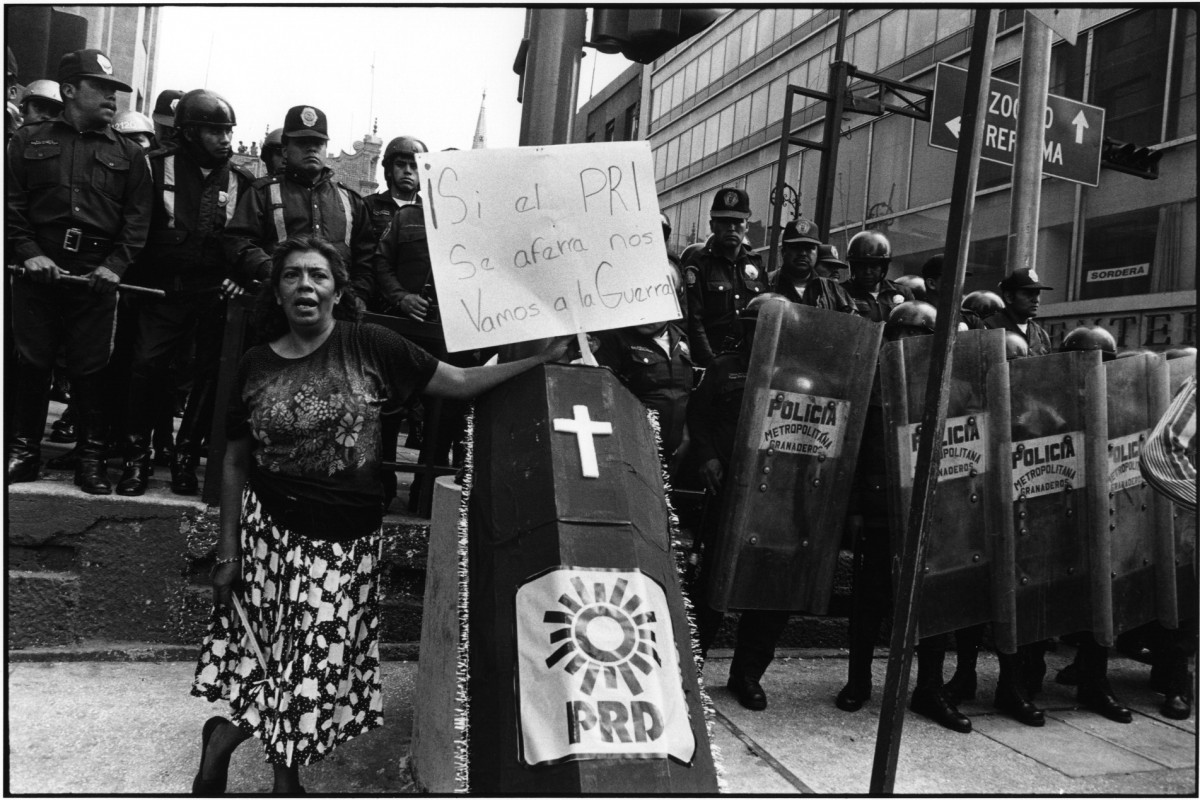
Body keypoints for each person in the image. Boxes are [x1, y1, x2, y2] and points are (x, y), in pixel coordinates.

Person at [190, 235, 567, 794]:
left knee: (316, 666)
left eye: (318, 276)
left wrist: (540, 358)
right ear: (277, 290)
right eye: (292, 275)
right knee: (284, 660)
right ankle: (284, 781)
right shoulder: (255, 364)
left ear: (338, 291)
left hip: (347, 541)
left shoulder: (372, 345)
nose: (305, 287)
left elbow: (459, 383)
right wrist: (228, 551)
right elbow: (234, 460)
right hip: (271, 533)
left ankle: (223, 735)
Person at [5, 48, 152, 491]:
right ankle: (24, 452)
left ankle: (91, 460)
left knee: (93, 367)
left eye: (114, 90)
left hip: (95, 276)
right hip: (37, 270)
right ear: (70, 90)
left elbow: (137, 220)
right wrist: (29, 250)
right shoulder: (28, 141)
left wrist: (115, 266)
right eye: (101, 88)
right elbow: (9, 202)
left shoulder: (130, 155)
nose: (112, 98)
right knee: (30, 360)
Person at [115, 89, 255, 496]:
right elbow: (137, 225)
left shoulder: (241, 181)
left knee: (211, 378)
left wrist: (240, 278)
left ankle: (185, 458)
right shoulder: (155, 167)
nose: (225, 139)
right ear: (190, 132)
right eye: (214, 131)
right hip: (162, 294)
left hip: (214, 297)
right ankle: (136, 460)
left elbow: (245, 240)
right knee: (145, 368)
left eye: (228, 130)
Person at [688, 293, 789, 711]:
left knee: (769, 589)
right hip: (729, 491)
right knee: (712, 582)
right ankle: (689, 667)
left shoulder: (800, 375)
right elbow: (698, 417)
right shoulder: (724, 367)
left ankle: (747, 675)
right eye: (756, 327)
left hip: (777, 499)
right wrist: (708, 456)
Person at [836, 230, 914, 713]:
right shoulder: (839, 296)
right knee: (867, 597)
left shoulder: (898, 301)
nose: (872, 273)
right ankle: (858, 681)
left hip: (911, 492)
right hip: (865, 415)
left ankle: (913, 683)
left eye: (879, 265)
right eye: (865, 265)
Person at [224, 105, 379, 304]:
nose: (311, 148)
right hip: (278, 302)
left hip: (335, 307)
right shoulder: (263, 193)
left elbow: (366, 257)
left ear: (325, 148)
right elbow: (239, 241)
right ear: (286, 151)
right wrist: (274, 271)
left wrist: (358, 294)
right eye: (302, 143)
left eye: (318, 143)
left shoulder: (349, 199)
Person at [594, 317, 693, 470]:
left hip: (670, 451)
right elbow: (603, 395)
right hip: (630, 448)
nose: (647, 316)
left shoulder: (681, 338)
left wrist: (683, 435)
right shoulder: (614, 337)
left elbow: (679, 393)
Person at [683, 188, 766, 366]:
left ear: (747, 226)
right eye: (724, 222)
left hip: (749, 361)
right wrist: (710, 362)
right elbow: (694, 320)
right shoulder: (698, 263)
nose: (731, 227)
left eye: (738, 222)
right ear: (712, 225)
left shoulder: (756, 263)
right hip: (712, 360)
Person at [363, 135, 427, 240]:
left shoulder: (428, 213)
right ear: (389, 170)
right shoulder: (368, 206)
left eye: (414, 166)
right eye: (400, 164)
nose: (407, 171)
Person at [984, 267, 1052, 356]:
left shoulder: (1040, 334)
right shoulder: (989, 328)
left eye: (1037, 294)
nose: (1036, 300)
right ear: (1009, 297)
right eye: (1028, 294)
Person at [768, 218, 820, 302]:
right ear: (783, 252)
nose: (803, 253)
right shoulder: (766, 284)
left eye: (809, 248)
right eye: (796, 247)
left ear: (817, 253)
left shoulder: (831, 291)